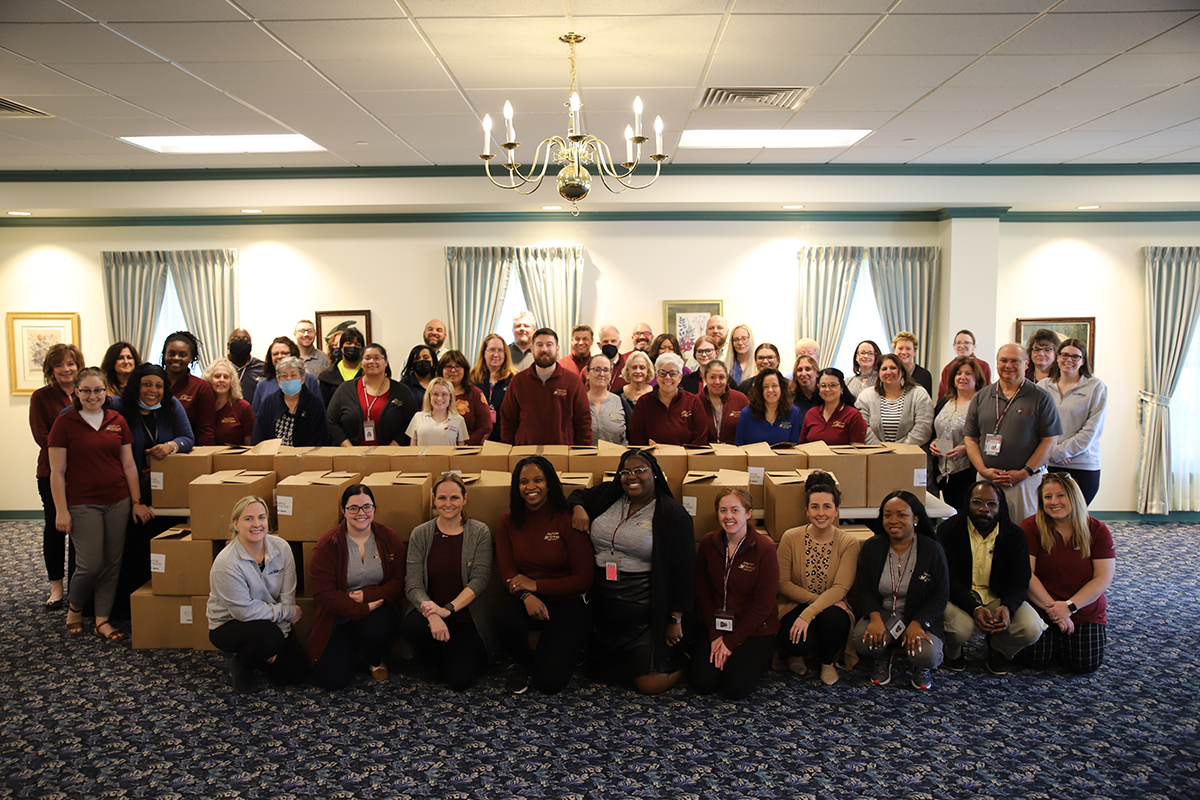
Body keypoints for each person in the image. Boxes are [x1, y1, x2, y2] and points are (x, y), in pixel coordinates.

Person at [569, 449, 695, 694]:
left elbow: (684, 571)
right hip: (606, 611)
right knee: (598, 674)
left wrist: (675, 619)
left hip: (646, 615)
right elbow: (577, 495)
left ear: (655, 475)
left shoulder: (671, 514)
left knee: (650, 685)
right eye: (625, 472)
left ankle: (689, 660)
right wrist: (578, 509)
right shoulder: (610, 495)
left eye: (639, 471)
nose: (631, 477)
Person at [49, 367, 152, 640]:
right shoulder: (65, 422)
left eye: (98, 390)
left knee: (112, 563)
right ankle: (75, 607)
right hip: (83, 504)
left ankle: (102, 620)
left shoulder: (117, 419)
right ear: (77, 392)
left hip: (117, 501)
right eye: (86, 391)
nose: (92, 396)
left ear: (106, 391)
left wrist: (137, 501)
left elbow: (129, 464)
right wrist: (61, 510)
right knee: (90, 565)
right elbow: (56, 472)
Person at [495, 456, 594, 694]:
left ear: (549, 483)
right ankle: (526, 662)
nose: (531, 487)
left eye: (538, 480)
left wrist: (536, 586)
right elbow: (507, 571)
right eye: (524, 482)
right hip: (528, 597)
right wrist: (526, 596)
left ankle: (568, 649)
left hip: (567, 601)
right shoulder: (507, 521)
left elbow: (584, 580)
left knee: (550, 684)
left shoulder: (569, 519)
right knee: (502, 616)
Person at [112, 363, 196, 617]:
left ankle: (161, 604)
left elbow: (188, 439)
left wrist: (171, 445)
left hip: (165, 493)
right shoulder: (119, 406)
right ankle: (129, 609)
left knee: (164, 546)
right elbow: (84, 408)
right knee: (131, 550)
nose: (153, 390)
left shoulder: (171, 405)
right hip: (127, 490)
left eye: (159, 385)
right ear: (137, 384)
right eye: (147, 384)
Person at [937, 481, 1043, 675]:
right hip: (959, 597)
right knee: (961, 629)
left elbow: (1019, 580)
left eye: (991, 504)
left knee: (1031, 628)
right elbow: (947, 580)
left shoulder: (1015, 535)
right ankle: (952, 652)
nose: (983, 509)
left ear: (1000, 507)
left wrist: (1008, 607)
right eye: (976, 502)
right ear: (967, 503)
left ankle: (999, 648)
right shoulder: (948, 531)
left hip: (997, 597)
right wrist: (974, 607)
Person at [307, 484, 405, 689]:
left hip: (378, 608)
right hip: (339, 614)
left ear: (374, 509)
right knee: (333, 681)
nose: (361, 513)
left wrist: (368, 596)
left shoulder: (389, 538)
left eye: (367, 507)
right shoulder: (327, 545)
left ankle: (375, 658)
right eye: (353, 508)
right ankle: (348, 647)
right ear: (343, 510)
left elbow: (398, 581)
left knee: (378, 630)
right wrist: (361, 609)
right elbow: (323, 593)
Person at [207, 496, 308, 693]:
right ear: (235, 524)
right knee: (269, 638)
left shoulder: (281, 548)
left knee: (296, 675)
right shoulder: (226, 563)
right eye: (248, 519)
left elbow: (288, 595)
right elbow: (243, 612)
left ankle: (263, 653)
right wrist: (286, 615)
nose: (256, 524)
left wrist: (282, 635)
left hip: (270, 621)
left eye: (261, 517)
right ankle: (241, 664)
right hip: (230, 623)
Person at [403, 473, 494, 690]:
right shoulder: (421, 533)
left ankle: (456, 654)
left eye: (454, 497)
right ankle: (433, 660)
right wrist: (433, 613)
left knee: (460, 681)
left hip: (466, 617)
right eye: (442, 498)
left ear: (464, 499)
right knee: (412, 626)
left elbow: (480, 580)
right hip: (430, 614)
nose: (448, 503)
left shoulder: (479, 532)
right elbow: (413, 584)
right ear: (433, 499)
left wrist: (449, 610)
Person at [1018, 473, 1115, 673]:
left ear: (1074, 497)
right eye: (1047, 497)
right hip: (1041, 606)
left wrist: (1070, 607)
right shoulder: (1030, 527)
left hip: (1083, 607)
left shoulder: (1098, 530)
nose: (1054, 502)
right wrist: (1056, 611)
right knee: (1034, 660)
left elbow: (1102, 578)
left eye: (1061, 495)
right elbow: (1028, 575)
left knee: (1084, 664)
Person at [852, 491, 948, 690]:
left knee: (927, 654)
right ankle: (883, 658)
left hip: (920, 615)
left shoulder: (932, 550)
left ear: (916, 519)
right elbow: (866, 588)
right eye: (887, 515)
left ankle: (921, 668)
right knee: (864, 639)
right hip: (885, 613)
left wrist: (918, 623)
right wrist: (875, 619)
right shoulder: (873, 546)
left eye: (901, 515)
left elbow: (940, 596)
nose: (893, 520)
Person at [691, 488, 780, 700]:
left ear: (748, 513)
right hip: (718, 626)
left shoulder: (764, 549)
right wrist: (715, 636)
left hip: (755, 630)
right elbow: (702, 592)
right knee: (702, 683)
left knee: (735, 689)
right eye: (723, 510)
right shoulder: (708, 543)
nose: (728, 516)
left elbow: (763, 604)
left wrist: (731, 643)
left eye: (735, 510)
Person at [777, 472, 860, 686]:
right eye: (815, 507)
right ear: (806, 510)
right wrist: (813, 606)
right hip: (795, 604)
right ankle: (797, 655)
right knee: (796, 641)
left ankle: (827, 663)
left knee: (836, 621)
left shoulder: (848, 543)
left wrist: (810, 614)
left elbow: (841, 587)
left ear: (836, 510)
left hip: (831, 607)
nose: (820, 513)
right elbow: (783, 583)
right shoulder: (790, 537)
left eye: (827, 507)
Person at [964, 344, 1062, 523]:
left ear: (1026, 363)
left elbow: (1050, 441)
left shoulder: (1041, 397)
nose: (1008, 365)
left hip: (1026, 482)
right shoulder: (981, 396)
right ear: (997, 363)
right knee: (985, 528)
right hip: (987, 479)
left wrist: (1024, 472)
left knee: (1024, 532)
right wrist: (983, 470)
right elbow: (970, 438)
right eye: (1003, 360)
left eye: (1015, 361)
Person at [29, 343, 84, 610]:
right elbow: (41, 436)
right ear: (51, 369)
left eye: (71, 363)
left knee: (79, 530)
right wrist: (77, 447)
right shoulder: (41, 397)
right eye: (59, 364)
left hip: (84, 474)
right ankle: (56, 588)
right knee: (55, 528)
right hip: (51, 472)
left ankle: (77, 587)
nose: (66, 369)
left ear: (78, 366)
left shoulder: (88, 393)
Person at [1039, 338, 1107, 505]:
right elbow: (1035, 424)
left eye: (1075, 356)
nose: (1069, 360)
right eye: (1064, 355)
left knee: (1076, 517)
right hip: (1047, 463)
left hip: (1082, 465)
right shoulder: (1043, 386)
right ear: (1057, 357)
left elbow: (1093, 429)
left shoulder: (1095, 387)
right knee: (1047, 516)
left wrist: (1063, 452)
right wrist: (1051, 453)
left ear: (1083, 361)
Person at [499, 328, 592, 446]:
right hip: (525, 454)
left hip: (562, 453)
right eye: (539, 345)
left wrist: (581, 454)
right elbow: (508, 421)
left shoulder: (573, 381)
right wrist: (510, 451)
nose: (544, 349)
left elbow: (583, 422)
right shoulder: (518, 381)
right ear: (532, 349)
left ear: (557, 349)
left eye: (549, 345)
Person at [326, 343, 417, 447]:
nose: (372, 362)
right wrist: (349, 449)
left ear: (386, 362)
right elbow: (332, 421)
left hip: (391, 456)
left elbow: (411, 423)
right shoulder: (345, 389)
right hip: (351, 456)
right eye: (367, 358)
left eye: (377, 358)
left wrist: (391, 450)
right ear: (361, 362)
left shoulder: (401, 391)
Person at [931, 356, 986, 513]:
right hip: (944, 472)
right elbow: (936, 429)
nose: (962, 377)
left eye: (968, 373)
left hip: (968, 472)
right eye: (958, 373)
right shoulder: (945, 400)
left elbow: (988, 436)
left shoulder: (981, 403)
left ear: (977, 378)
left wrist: (966, 449)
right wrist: (934, 442)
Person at [629, 352, 707, 446]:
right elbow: (636, 438)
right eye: (662, 373)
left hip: (686, 458)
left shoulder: (693, 402)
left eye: (673, 373)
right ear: (656, 376)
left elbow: (700, 439)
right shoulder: (643, 403)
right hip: (651, 458)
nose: (667, 377)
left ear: (680, 377)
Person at [855, 354, 934, 446]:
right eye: (884, 369)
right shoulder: (866, 396)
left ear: (902, 372)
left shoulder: (919, 394)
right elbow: (861, 427)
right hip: (876, 455)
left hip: (911, 455)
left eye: (893, 368)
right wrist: (880, 449)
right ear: (878, 374)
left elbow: (923, 429)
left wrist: (899, 450)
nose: (889, 372)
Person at [252, 356, 329, 446]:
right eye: (284, 375)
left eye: (293, 375)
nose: (289, 379)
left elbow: (319, 439)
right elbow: (258, 436)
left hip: (305, 457)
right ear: (279, 381)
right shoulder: (269, 402)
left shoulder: (314, 404)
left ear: (302, 379)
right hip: (272, 457)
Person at [161, 331, 215, 445]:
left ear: (191, 358)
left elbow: (205, 431)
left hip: (188, 452)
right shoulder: (153, 384)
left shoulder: (201, 387)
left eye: (182, 355)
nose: (176, 358)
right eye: (171, 353)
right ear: (164, 355)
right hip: (153, 451)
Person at [252, 336, 321, 414]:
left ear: (293, 355)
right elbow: (256, 415)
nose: (280, 356)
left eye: (284, 353)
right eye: (275, 354)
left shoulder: (309, 379)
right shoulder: (263, 384)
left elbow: (319, 410)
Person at [734, 368, 801, 446]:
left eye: (774, 386)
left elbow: (795, 448)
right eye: (765, 387)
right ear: (760, 390)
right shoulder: (746, 414)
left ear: (781, 388)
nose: (770, 390)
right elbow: (739, 447)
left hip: (783, 458)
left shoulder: (793, 413)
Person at [801, 368, 868, 445]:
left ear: (842, 388)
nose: (827, 389)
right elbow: (802, 446)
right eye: (823, 385)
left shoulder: (853, 415)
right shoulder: (811, 414)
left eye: (833, 385)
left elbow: (858, 450)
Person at [439, 349, 493, 445]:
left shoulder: (475, 393)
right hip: (437, 448)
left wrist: (463, 444)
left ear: (465, 370)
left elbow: (486, 426)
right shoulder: (434, 393)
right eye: (448, 367)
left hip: (467, 450)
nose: (453, 370)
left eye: (458, 366)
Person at [471, 333, 516, 443]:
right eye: (492, 350)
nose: (496, 354)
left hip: (505, 439)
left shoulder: (515, 379)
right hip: (477, 440)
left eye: (500, 351)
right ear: (484, 353)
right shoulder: (471, 378)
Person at [205, 357, 255, 447]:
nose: (221, 380)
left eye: (226, 377)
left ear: (231, 382)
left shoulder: (243, 407)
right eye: (217, 376)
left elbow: (250, 444)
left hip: (235, 459)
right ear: (209, 380)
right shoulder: (201, 406)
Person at [405, 377, 468, 446]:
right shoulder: (418, 417)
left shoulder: (459, 420)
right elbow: (412, 449)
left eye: (444, 394)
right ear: (429, 396)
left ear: (450, 397)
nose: (439, 398)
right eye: (435, 394)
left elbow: (460, 450)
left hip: (447, 457)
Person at [698, 359, 748, 444]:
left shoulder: (741, 399)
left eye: (721, 377)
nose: (717, 382)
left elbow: (749, 430)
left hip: (735, 454)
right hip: (705, 454)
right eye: (712, 377)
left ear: (727, 378)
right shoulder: (696, 401)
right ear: (705, 378)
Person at [586, 353, 631, 446]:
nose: (602, 374)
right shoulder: (577, 403)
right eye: (597, 369)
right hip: (584, 459)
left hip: (616, 458)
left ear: (610, 375)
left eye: (606, 370)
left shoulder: (621, 403)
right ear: (587, 374)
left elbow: (633, 435)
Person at [316, 327, 365, 407]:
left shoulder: (368, 373)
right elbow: (324, 405)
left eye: (357, 345)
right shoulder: (327, 375)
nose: (353, 347)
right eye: (349, 344)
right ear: (341, 348)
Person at [938, 330, 992, 397]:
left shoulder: (982, 366)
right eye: (958, 343)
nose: (962, 346)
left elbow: (986, 392)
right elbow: (943, 394)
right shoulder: (948, 368)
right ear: (954, 346)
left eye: (966, 343)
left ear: (974, 347)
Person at [226, 328, 264, 401]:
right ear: (228, 345)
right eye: (236, 338)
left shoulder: (263, 368)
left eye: (246, 339)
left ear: (251, 346)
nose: (241, 341)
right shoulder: (219, 368)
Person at [892, 331, 932, 397]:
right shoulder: (888, 373)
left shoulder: (924, 375)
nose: (904, 352)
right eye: (900, 348)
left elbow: (927, 402)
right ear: (895, 350)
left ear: (914, 352)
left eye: (908, 349)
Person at [398, 344, 436, 408]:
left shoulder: (440, 382)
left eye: (426, 357)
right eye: (417, 358)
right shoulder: (404, 385)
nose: (421, 360)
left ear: (433, 361)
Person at [788, 354, 822, 420]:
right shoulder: (790, 399)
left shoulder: (825, 397)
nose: (803, 374)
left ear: (817, 373)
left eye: (808, 369)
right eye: (800, 370)